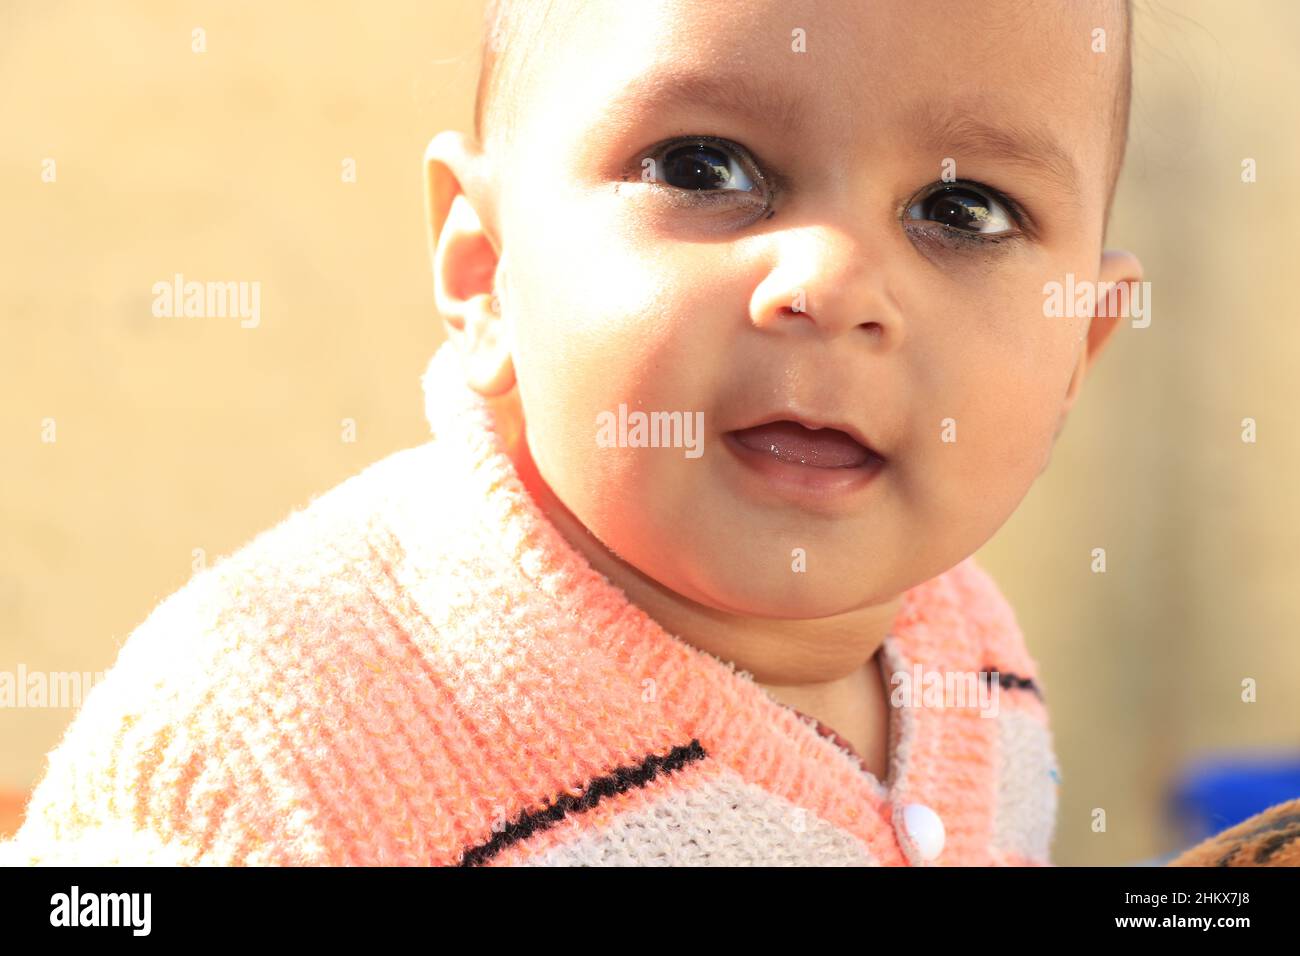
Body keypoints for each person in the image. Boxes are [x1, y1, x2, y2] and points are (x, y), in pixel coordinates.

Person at [1, 0, 1143, 866]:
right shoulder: (266, 737)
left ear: (1074, 355)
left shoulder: (970, 644)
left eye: (962, 209)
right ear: (487, 269)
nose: (831, 280)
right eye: (706, 167)